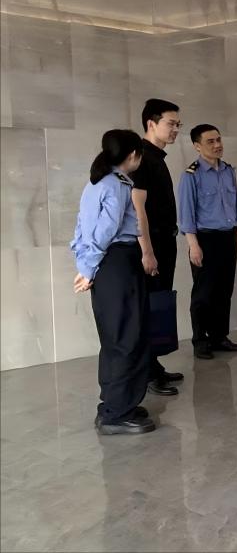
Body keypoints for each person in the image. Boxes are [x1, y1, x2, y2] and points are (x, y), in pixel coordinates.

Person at [70, 129, 156, 435]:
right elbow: (106, 230)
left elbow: (82, 228)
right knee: (128, 337)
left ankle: (113, 404)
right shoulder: (118, 185)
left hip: (106, 265)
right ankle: (117, 414)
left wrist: (85, 266)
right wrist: (88, 268)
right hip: (118, 262)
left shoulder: (96, 183)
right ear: (133, 155)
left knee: (114, 337)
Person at [178, 124, 237, 359]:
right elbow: (186, 214)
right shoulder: (191, 175)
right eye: (210, 141)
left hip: (228, 236)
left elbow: (236, 204)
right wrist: (193, 245)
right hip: (205, 239)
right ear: (197, 146)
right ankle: (200, 341)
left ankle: (219, 337)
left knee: (224, 290)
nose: (217, 145)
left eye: (218, 140)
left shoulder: (228, 171)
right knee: (203, 293)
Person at [132, 98, 185, 396]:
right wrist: (147, 252)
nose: (176, 129)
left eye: (178, 124)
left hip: (164, 242)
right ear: (151, 123)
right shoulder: (142, 158)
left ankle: (154, 365)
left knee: (158, 303)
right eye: (171, 123)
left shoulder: (156, 157)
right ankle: (147, 372)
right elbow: (137, 208)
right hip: (152, 245)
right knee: (149, 306)